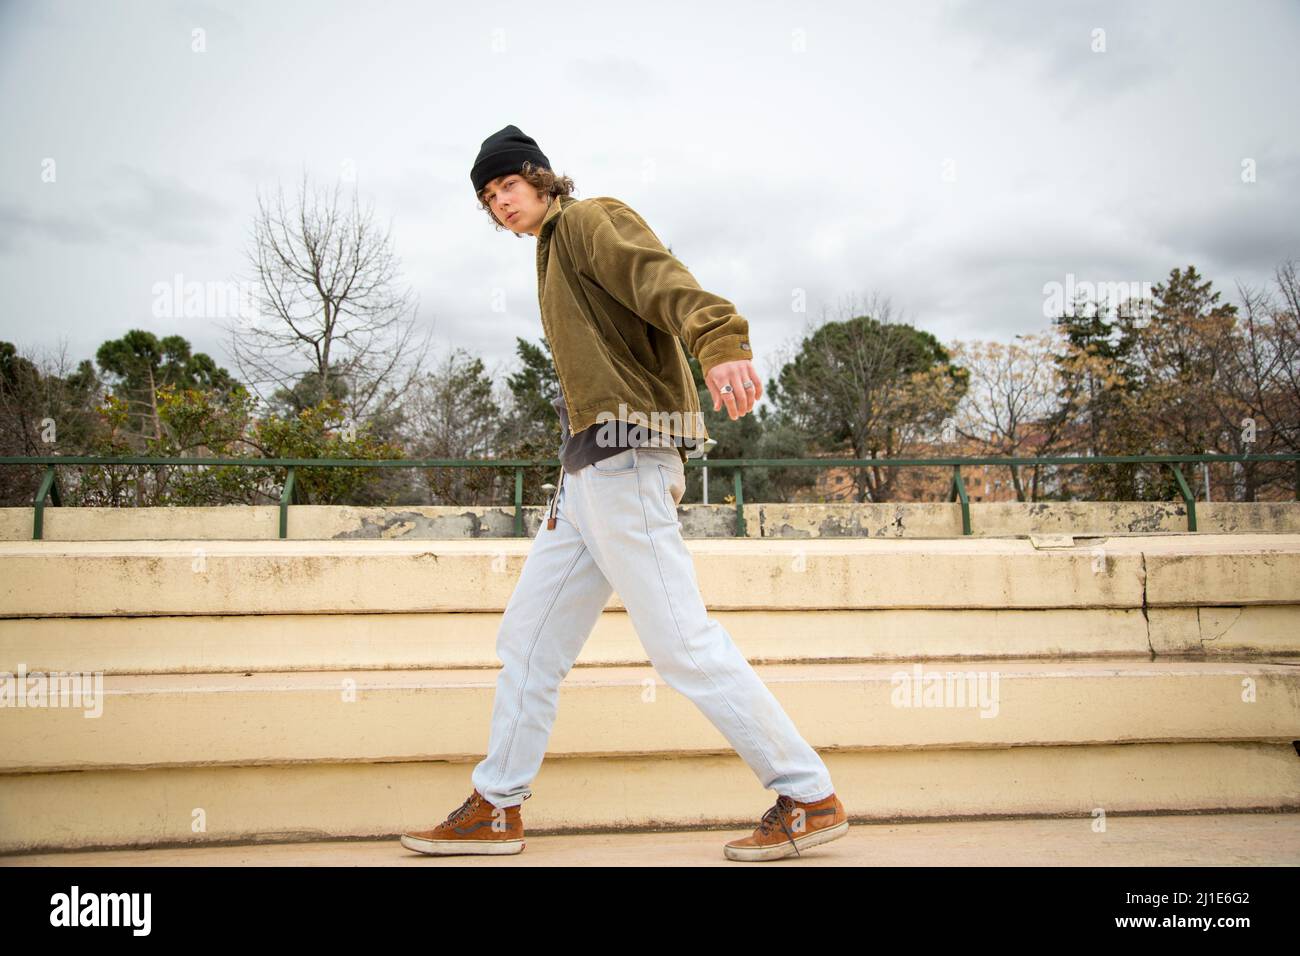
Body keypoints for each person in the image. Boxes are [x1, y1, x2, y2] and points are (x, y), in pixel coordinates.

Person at [400, 125, 846, 862]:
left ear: (540, 178)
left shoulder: (586, 219)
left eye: (507, 185)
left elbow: (658, 277)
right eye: (487, 198)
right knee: (528, 642)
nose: (500, 203)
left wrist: (720, 338)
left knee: (681, 644)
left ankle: (808, 794)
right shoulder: (550, 255)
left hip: (626, 458)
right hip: (587, 475)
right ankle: (498, 807)